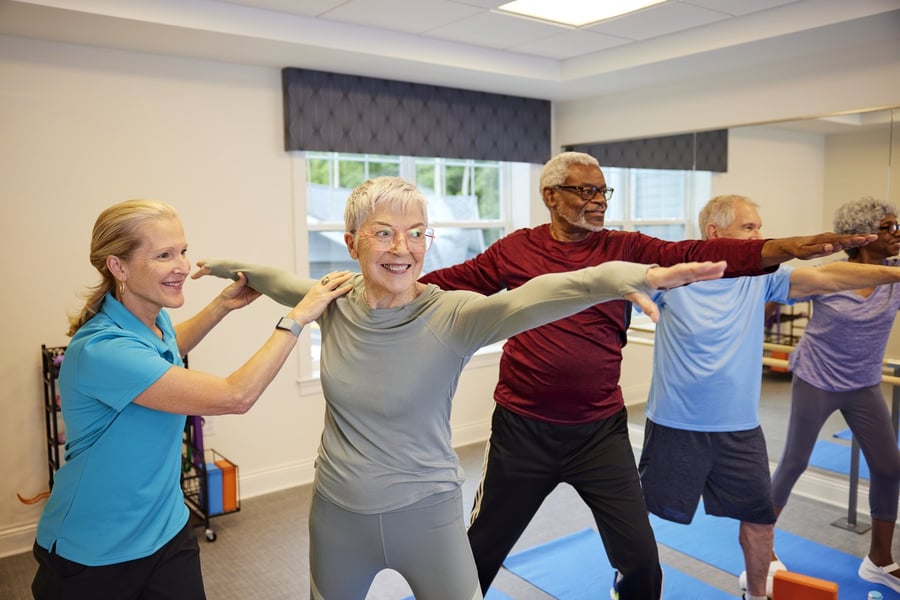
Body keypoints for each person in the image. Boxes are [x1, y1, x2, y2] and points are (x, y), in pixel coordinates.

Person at [196, 176, 729, 600]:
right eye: (383, 232)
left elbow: (538, 295)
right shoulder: (332, 298)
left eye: (417, 232)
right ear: (351, 242)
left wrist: (617, 277)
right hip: (337, 514)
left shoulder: (451, 315)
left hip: (428, 517)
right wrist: (221, 269)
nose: (403, 248)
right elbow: (269, 278)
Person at [417, 151, 875, 599]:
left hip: (599, 434)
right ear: (551, 196)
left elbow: (692, 250)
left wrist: (783, 247)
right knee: (477, 556)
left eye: (603, 191)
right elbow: (449, 281)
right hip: (523, 432)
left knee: (640, 563)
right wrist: (367, 285)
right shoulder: (515, 249)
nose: (599, 200)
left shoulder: (624, 247)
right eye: (586, 190)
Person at [32, 199, 341, 600]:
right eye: (164, 255)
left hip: (166, 528)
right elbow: (236, 395)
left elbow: (165, 349)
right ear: (118, 266)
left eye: (182, 251)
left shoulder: (150, 317)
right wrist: (297, 318)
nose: (181, 265)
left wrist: (221, 306)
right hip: (95, 549)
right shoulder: (102, 350)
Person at [637, 194, 900, 600]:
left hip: (740, 429)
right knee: (642, 518)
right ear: (714, 233)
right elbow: (617, 288)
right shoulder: (673, 278)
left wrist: (895, 274)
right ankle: (635, 585)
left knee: (759, 520)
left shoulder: (762, 278)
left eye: (760, 227)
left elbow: (828, 278)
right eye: (749, 228)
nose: (761, 236)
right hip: (675, 425)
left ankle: (756, 594)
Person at [770, 196, 900, 595]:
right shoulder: (829, 275)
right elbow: (774, 298)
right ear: (863, 236)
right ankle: (761, 547)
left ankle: (879, 560)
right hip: (817, 379)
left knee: (889, 467)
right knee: (794, 462)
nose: (897, 234)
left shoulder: (894, 275)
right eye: (888, 228)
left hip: (863, 384)